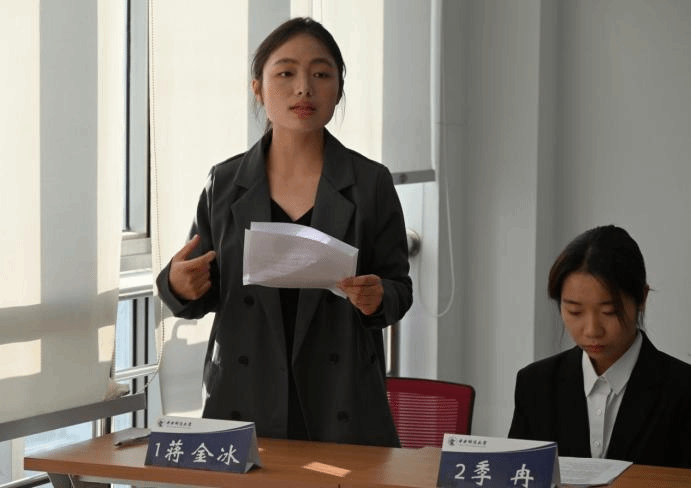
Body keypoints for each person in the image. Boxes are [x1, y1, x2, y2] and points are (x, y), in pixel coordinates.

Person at [156, 17, 412, 447]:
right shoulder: (225, 182)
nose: (304, 88)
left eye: (321, 74)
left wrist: (377, 296)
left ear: (339, 88)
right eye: (286, 73)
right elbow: (201, 282)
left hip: (342, 399)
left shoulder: (371, 183)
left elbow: (399, 288)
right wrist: (178, 284)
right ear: (257, 87)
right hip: (243, 396)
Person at [508, 225, 691, 468]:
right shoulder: (535, 385)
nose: (592, 330)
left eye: (609, 311)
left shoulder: (682, 389)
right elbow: (518, 475)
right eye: (575, 311)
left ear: (642, 298)